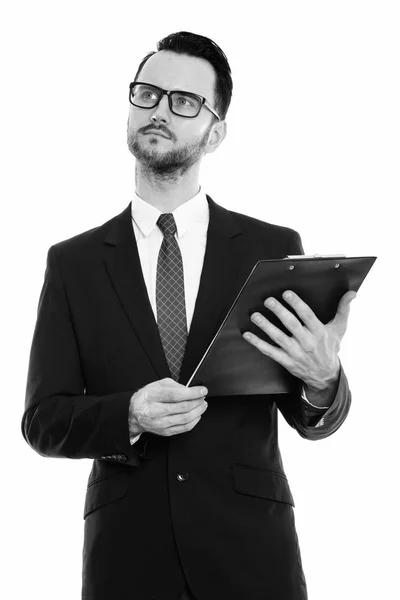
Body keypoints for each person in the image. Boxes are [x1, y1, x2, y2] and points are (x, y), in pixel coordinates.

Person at [22, 31, 356, 600]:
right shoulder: (73, 263)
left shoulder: (271, 249)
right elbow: (43, 422)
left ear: (215, 131)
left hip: (252, 554)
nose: (159, 111)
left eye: (184, 101)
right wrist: (128, 414)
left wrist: (324, 379)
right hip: (127, 556)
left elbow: (309, 421)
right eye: (148, 94)